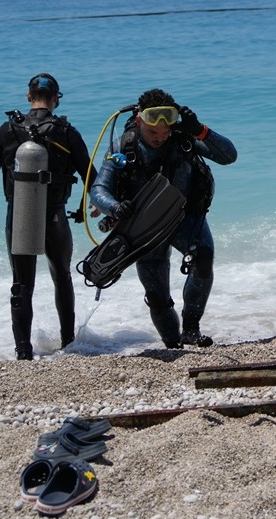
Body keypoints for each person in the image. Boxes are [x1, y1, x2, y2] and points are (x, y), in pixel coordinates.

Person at [90, 88, 237, 348]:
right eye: (152, 132)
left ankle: (191, 329)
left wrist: (201, 130)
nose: (160, 137)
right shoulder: (124, 146)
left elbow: (228, 156)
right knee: (157, 296)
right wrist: (114, 207)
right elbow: (98, 189)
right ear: (139, 121)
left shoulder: (183, 139)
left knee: (203, 259)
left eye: (165, 131)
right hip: (145, 228)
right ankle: (172, 343)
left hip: (185, 219)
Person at [0, 73, 96, 360]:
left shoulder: (8, 130)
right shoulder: (67, 131)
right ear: (56, 99)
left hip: (19, 216)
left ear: (29, 97)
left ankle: (23, 351)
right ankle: (69, 344)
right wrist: (96, 202)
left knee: (22, 283)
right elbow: (89, 173)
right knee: (62, 277)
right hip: (54, 215)